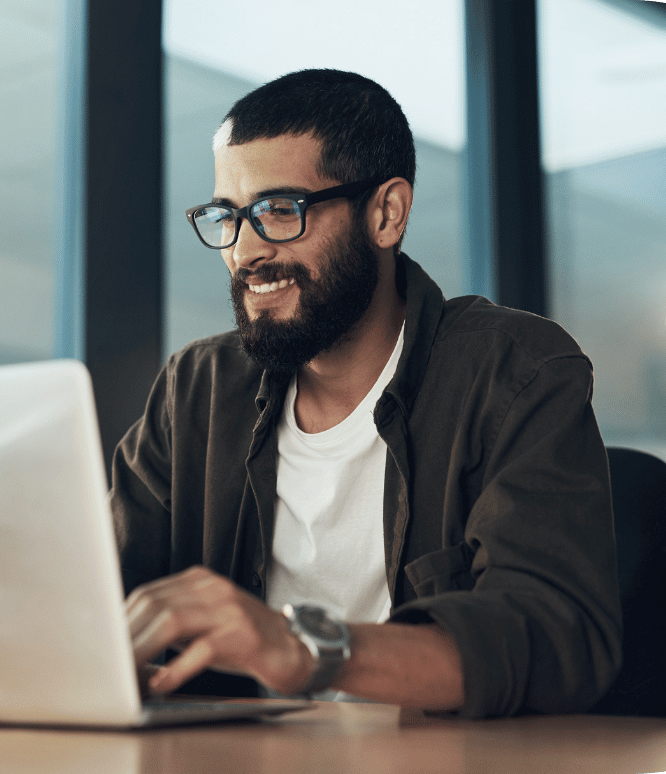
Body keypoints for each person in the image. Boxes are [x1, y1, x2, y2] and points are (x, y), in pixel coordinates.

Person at [111, 69, 622, 719]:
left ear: (386, 213)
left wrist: (306, 650)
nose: (243, 251)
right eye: (228, 216)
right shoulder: (197, 390)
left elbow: (555, 637)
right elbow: (99, 594)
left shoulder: (514, 370)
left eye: (279, 211)